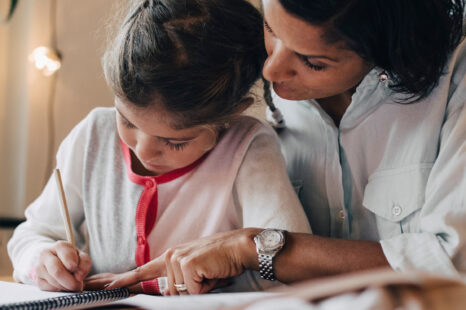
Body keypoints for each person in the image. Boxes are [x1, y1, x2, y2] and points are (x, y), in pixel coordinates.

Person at [99, 0, 466, 296]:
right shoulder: (241, 91)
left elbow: (453, 264)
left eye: (312, 62)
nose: (272, 72)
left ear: (388, 49)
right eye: (271, 29)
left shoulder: (454, 84)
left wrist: (253, 248)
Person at [7, 0, 311, 295]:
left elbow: (288, 267)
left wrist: (193, 282)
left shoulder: (248, 147)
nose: (144, 150)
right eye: (126, 121)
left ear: (232, 115)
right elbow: (32, 234)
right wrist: (42, 260)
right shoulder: (93, 135)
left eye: (174, 142)